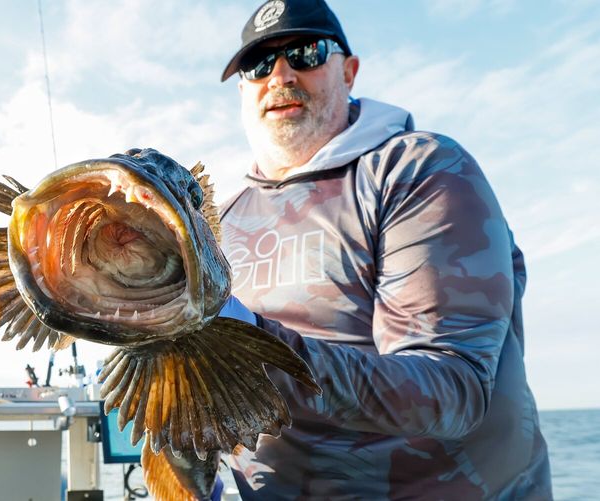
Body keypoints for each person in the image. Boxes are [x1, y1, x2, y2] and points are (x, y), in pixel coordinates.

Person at [217, 0, 552, 498]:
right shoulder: (221, 217)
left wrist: (248, 345)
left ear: (349, 72)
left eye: (306, 52)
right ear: (243, 89)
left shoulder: (422, 172)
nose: (281, 74)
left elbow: (448, 391)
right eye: (258, 64)